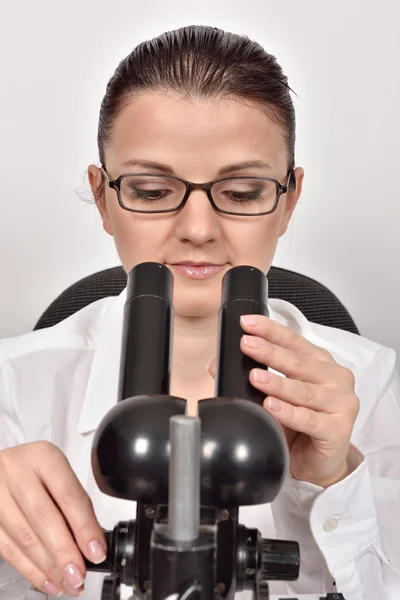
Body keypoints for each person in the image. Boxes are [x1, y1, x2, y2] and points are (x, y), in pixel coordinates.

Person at [0, 24, 399, 600]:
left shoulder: (368, 379)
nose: (197, 231)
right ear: (104, 197)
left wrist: (338, 480)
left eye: (241, 193)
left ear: (288, 202)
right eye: (151, 191)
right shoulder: (14, 385)